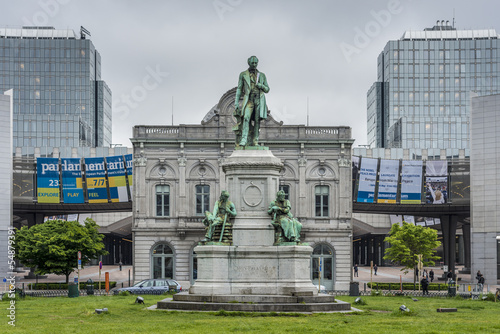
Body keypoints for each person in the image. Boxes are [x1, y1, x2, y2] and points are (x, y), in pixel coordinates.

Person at [234, 55, 270, 147]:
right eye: (252, 63)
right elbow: (239, 88)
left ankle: (255, 141)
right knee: (246, 118)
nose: (254, 64)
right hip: (249, 99)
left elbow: (267, 89)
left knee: (257, 120)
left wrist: (261, 86)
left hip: (259, 99)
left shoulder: (262, 75)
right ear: (249, 63)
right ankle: (244, 139)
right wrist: (236, 102)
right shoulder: (243, 74)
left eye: (255, 63)